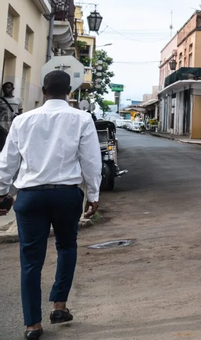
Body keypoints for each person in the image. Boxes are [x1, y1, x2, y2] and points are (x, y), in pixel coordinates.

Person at [0, 70, 101, 340]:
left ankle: (32, 325)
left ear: (44, 90)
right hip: (66, 194)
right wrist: (94, 194)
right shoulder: (81, 118)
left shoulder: (23, 120)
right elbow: (91, 160)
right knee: (67, 246)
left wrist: (2, 194)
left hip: (30, 196)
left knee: (30, 261)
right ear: (69, 91)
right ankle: (59, 306)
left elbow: (7, 162)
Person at [0, 81, 23, 150]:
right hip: (1, 128)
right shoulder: (0, 100)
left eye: (8, 88)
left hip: (13, 127)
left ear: (13, 89)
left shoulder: (18, 100)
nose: (6, 89)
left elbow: (20, 114)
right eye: (4, 88)